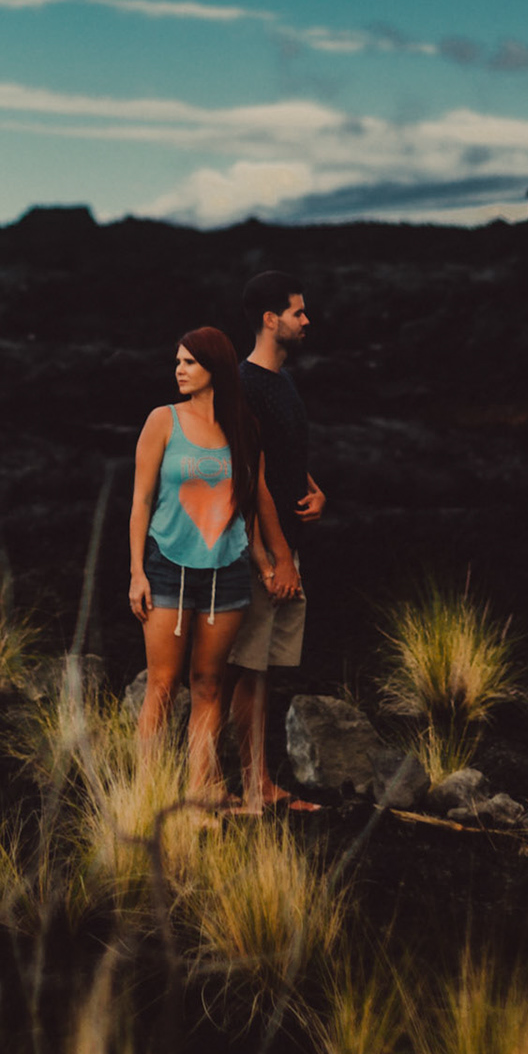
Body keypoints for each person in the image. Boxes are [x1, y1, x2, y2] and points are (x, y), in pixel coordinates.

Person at [128, 326, 297, 803]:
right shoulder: (162, 421)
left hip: (226, 573)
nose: (179, 370)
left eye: (189, 363)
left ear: (214, 370)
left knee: (209, 684)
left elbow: (250, 504)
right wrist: (137, 572)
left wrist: (266, 564)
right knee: (161, 684)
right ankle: (145, 795)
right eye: (177, 362)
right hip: (165, 569)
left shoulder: (244, 426)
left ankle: (199, 790)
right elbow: (141, 501)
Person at [228, 272, 327, 812]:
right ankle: (253, 787)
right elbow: (253, 477)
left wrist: (315, 490)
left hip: (284, 542)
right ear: (270, 319)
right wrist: (278, 559)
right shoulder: (245, 386)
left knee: (264, 672)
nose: (307, 321)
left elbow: (287, 456)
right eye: (298, 312)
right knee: (249, 671)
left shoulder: (283, 381)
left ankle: (261, 783)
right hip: (258, 552)